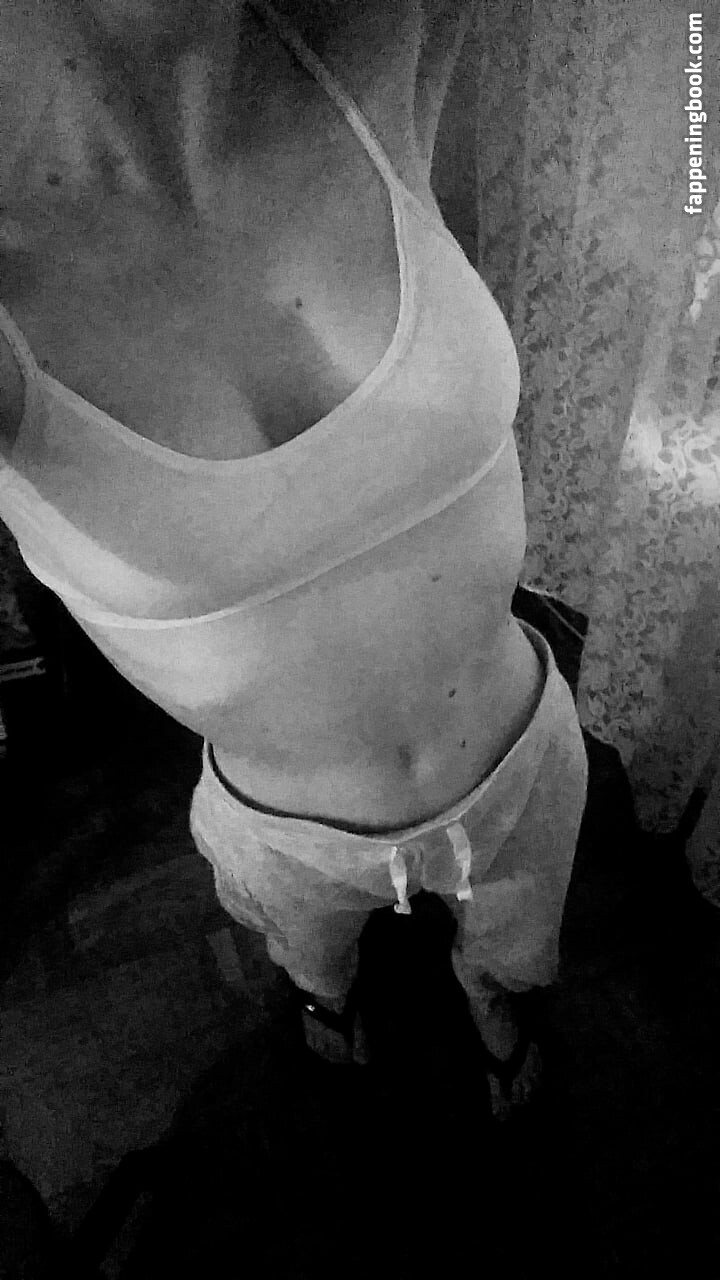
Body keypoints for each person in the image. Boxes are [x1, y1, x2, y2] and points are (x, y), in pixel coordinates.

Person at [0, 0, 588, 1120]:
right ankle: (326, 994)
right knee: (313, 952)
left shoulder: (382, 36)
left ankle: (487, 991)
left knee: (516, 938)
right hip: (284, 830)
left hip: (524, 758)